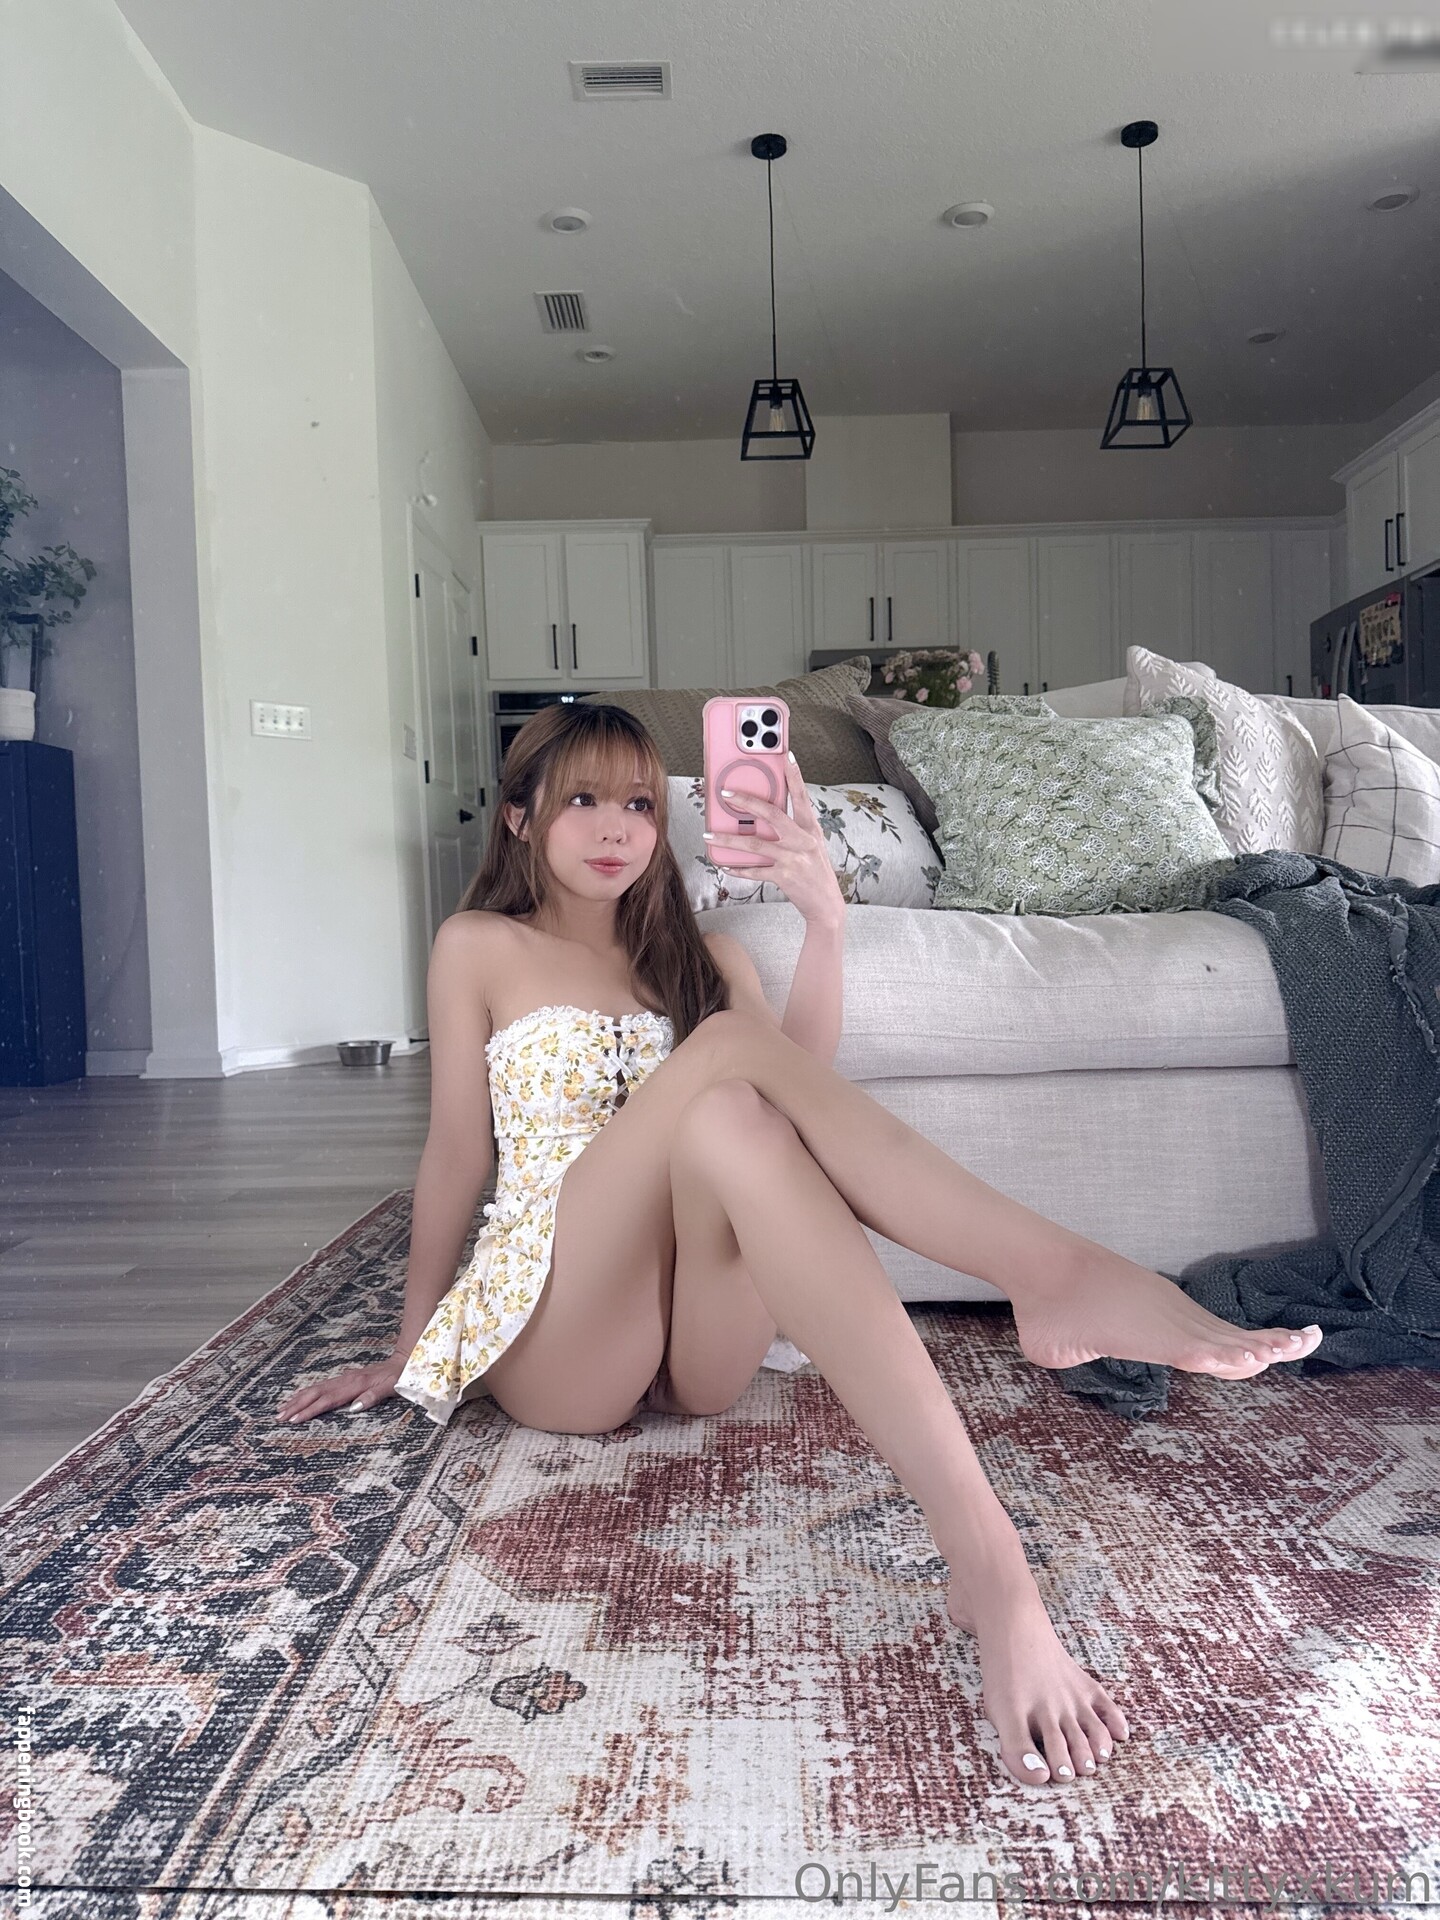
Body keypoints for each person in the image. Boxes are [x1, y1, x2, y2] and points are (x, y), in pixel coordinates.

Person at [277, 700, 1323, 1791]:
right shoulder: (480, 945)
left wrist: (826, 922)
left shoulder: (705, 958)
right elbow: (457, 1151)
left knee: (742, 1111)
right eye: (581, 799)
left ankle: (1031, 1368)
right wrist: (413, 1343)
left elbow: (798, 1099)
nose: (616, 827)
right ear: (518, 817)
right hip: (561, 1331)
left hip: (695, 1347)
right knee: (728, 1056)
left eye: (639, 803)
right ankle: (1015, 1463)